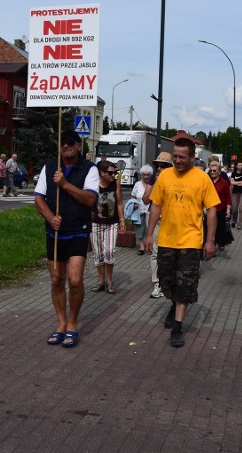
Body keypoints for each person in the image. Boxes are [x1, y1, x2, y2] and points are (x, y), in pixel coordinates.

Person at [144, 138, 220, 348]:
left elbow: (212, 210)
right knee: (167, 282)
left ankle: (178, 327)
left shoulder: (201, 179)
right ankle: (173, 303)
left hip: (191, 241)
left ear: (192, 157)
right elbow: (156, 206)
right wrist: (149, 235)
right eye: (175, 156)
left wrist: (210, 241)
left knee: (185, 284)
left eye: (182, 157)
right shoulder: (165, 176)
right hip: (167, 239)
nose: (177, 160)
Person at [34, 130, 99, 348]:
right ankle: (61, 323)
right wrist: (51, 218)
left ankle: (72, 323)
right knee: (56, 279)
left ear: (79, 146)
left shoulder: (89, 169)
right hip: (55, 233)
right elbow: (38, 198)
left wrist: (65, 185)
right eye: (62, 144)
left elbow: (90, 199)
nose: (65, 147)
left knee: (74, 280)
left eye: (70, 143)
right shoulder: (50, 167)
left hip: (78, 231)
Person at [90, 160, 126, 294]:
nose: (113, 175)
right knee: (98, 253)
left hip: (112, 223)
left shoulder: (115, 184)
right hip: (96, 223)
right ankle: (101, 281)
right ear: (102, 173)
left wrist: (122, 220)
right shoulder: (93, 185)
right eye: (110, 173)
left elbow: (120, 203)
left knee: (109, 252)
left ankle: (109, 282)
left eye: (115, 172)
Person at [143, 152, 172, 298]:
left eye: (163, 166)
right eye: (158, 166)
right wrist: (155, 184)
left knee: (169, 253)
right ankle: (156, 284)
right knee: (155, 253)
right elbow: (145, 200)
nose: (160, 168)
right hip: (156, 220)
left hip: (170, 221)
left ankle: (168, 281)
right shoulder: (152, 179)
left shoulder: (174, 178)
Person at [208, 159, 234, 251]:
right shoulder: (207, 181)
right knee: (210, 228)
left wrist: (228, 210)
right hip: (210, 208)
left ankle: (220, 242)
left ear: (219, 172)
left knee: (220, 227)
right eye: (211, 170)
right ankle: (212, 244)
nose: (212, 172)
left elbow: (228, 198)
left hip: (221, 208)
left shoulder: (224, 183)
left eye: (214, 171)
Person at [130, 165, 153, 255]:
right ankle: (141, 247)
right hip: (139, 209)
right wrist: (134, 203)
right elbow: (133, 195)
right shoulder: (137, 184)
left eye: (148, 175)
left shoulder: (152, 185)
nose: (146, 177)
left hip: (149, 210)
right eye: (144, 175)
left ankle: (149, 246)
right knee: (139, 228)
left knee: (148, 229)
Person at [229, 162, 242, 230]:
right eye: (239, 165)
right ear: (236, 166)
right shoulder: (233, 174)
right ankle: (234, 221)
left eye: (241, 165)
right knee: (234, 210)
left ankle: (239, 224)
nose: (240, 166)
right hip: (234, 194)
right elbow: (232, 182)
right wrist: (240, 182)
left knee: (240, 208)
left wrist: (238, 182)